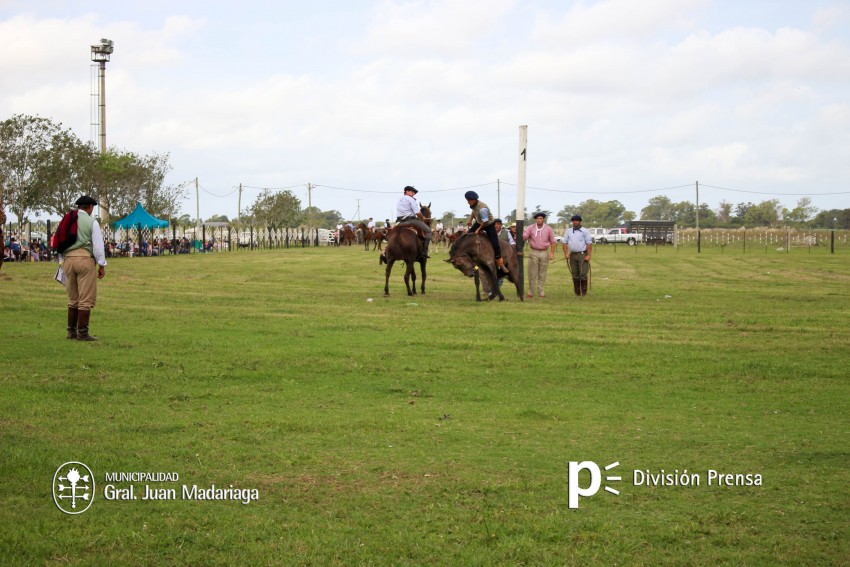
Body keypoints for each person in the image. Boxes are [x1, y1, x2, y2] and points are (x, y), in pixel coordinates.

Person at [63, 195, 107, 341]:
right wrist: (101, 264)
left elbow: (58, 241)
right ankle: (82, 333)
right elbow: (98, 246)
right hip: (84, 259)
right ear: (90, 207)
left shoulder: (66, 219)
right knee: (85, 298)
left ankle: (71, 332)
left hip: (68, 259)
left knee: (73, 298)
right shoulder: (91, 221)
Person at [464, 191, 508, 273]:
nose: (467, 202)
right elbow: (474, 212)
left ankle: (500, 262)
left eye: (469, 200)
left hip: (488, 224)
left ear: (473, 200)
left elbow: (485, 222)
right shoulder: (474, 205)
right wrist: (470, 220)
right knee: (468, 235)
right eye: (467, 200)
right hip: (479, 222)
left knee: (495, 243)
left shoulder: (482, 209)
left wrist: (479, 229)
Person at [522, 212, 557, 298]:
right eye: (538, 218)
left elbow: (553, 242)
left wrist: (552, 253)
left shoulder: (548, 229)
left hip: (545, 252)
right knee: (532, 273)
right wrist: (521, 236)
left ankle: (541, 291)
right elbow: (525, 237)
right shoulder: (530, 228)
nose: (539, 220)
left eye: (541, 218)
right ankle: (531, 291)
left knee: (542, 273)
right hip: (533, 251)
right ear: (535, 219)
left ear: (543, 219)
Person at [394, 185, 431, 259]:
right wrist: (423, 218)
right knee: (428, 231)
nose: (413, 193)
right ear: (406, 191)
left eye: (414, 192)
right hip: (411, 220)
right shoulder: (411, 199)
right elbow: (417, 212)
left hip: (399, 222)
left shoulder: (399, 200)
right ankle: (424, 251)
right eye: (412, 192)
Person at [562, 214, 593, 297]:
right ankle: (577, 293)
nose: (575, 222)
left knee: (583, 274)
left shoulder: (585, 231)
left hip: (583, 255)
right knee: (575, 274)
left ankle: (584, 293)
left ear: (580, 222)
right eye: (573, 221)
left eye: (576, 221)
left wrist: (589, 255)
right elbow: (564, 243)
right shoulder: (568, 231)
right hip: (572, 255)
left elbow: (589, 244)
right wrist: (566, 253)